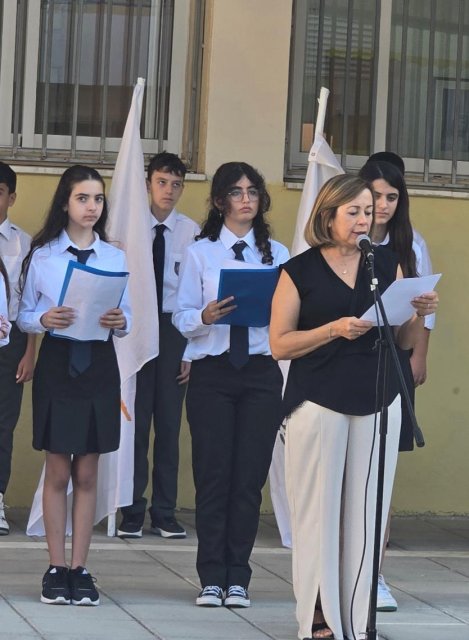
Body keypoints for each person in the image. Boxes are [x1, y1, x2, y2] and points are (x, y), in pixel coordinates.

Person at [269, 174, 438, 640]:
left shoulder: (386, 264)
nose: (365, 219)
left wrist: (419, 313)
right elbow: (279, 344)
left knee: (365, 515)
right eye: (354, 211)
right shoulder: (298, 270)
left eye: (369, 211)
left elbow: (403, 340)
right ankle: (318, 617)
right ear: (328, 215)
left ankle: (357, 620)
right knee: (319, 514)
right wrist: (333, 330)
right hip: (318, 399)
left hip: (377, 397)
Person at [173, 161, 289, 608]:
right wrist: (205, 316)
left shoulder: (277, 254)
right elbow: (182, 316)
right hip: (213, 372)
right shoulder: (200, 253)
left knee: (248, 478)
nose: (246, 199)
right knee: (214, 475)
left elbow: (290, 316)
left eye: (253, 191)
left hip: (260, 372)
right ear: (220, 200)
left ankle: (238, 576)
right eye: (237, 192)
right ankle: (211, 577)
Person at [17, 165, 131, 606]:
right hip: (59, 362)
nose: (91, 207)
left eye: (98, 199)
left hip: (99, 363)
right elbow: (24, 315)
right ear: (65, 202)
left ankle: (80, 568)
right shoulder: (44, 255)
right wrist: (44, 319)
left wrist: (120, 320)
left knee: (87, 471)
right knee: (59, 469)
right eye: (83, 198)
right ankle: (55, 566)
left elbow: (128, 316)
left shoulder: (114, 257)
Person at [359, 156, 435, 612]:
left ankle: (376, 574)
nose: (383, 205)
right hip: (350, 361)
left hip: (394, 359)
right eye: (376, 196)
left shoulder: (411, 243)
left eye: (392, 196)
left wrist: (418, 356)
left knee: (383, 472)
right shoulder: (347, 238)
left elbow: (423, 307)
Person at [117, 152, 199, 540]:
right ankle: (132, 509)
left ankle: (164, 511)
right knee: (136, 422)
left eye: (176, 184)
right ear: (148, 183)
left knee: (168, 424)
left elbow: (196, 294)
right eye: (162, 182)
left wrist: (189, 351)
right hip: (136, 325)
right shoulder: (131, 227)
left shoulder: (191, 232)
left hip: (172, 328)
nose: (169, 191)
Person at [0, 162, 35, 536]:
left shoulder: (24, 244)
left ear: (11, 197)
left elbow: (30, 302)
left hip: (10, 344)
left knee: (3, 425)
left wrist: (29, 352)